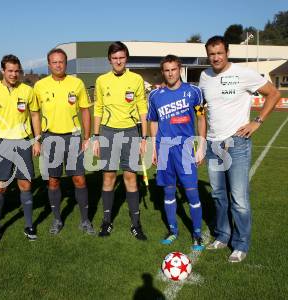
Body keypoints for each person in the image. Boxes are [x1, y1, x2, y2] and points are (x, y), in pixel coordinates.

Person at [199, 36, 281, 262]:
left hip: (237, 144)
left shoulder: (244, 73)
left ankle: (241, 244)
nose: (215, 57)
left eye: (219, 53)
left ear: (227, 53)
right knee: (217, 196)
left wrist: (258, 121)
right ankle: (223, 236)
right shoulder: (204, 77)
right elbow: (201, 111)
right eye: (211, 54)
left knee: (239, 199)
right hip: (213, 145)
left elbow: (274, 94)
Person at [33, 48, 95, 235]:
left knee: (79, 178)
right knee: (53, 180)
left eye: (61, 61)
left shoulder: (76, 83)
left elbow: (85, 110)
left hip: (74, 137)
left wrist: (87, 137)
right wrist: (37, 139)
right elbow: (34, 113)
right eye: (54, 62)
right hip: (50, 137)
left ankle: (85, 221)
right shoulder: (40, 86)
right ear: (49, 64)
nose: (58, 65)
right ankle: (57, 220)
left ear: (66, 63)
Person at [148, 54, 206, 251]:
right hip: (164, 148)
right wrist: (153, 148)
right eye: (166, 70)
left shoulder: (194, 92)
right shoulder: (155, 96)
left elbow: (201, 118)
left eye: (173, 69)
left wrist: (201, 145)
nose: (170, 73)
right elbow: (153, 122)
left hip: (186, 148)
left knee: (192, 193)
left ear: (179, 69)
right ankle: (173, 230)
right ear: (162, 72)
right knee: (168, 191)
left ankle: (197, 234)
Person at [0, 55, 40, 242]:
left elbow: (35, 116)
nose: (14, 74)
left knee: (25, 185)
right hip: (0, 143)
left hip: (23, 142)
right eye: (10, 71)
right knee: (0, 187)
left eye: (17, 71)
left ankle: (29, 226)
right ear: (3, 71)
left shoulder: (28, 91)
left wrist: (37, 140)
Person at [92, 41, 148, 240]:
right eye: (114, 58)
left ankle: (136, 224)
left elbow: (142, 108)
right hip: (107, 133)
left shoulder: (136, 79)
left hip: (131, 132)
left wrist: (144, 137)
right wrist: (96, 137)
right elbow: (97, 109)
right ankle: (106, 222)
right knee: (108, 177)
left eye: (121, 58)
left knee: (131, 177)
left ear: (126, 59)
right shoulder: (101, 80)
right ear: (109, 60)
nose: (118, 61)